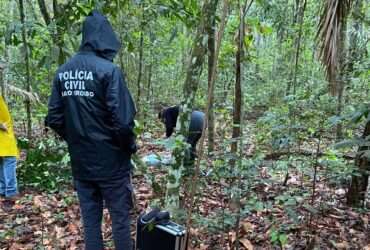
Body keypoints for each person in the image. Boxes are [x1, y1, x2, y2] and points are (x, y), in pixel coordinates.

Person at [45, 11, 136, 250]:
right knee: (120, 221)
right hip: (112, 163)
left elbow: (54, 117)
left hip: (82, 163)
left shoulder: (63, 71)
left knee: (91, 223)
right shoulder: (109, 71)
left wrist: (76, 138)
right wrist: (127, 148)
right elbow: (123, 122)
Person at [0, 95, 19, 208]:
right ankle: (8, 195)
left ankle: (7, 194)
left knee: (5, 166)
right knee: (7, 166)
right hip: (6, 141)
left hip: (5, 140)